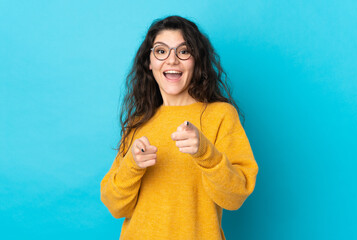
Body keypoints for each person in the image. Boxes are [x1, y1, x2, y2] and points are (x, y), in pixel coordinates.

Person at [100, 15, 258, 240]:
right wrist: (132, 166)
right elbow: (116, 207)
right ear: (149, 62)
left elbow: (235, 198)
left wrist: (206, 153)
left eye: (183, 51)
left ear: (197, 60)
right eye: (161, 51)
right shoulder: (138, 123)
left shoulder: (220, 115)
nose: (172, 60)